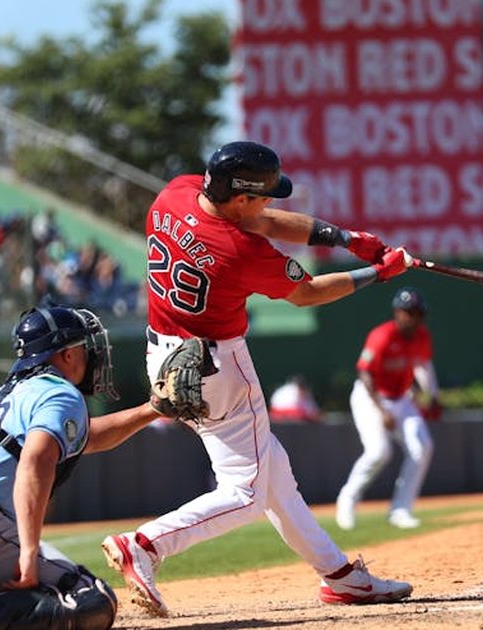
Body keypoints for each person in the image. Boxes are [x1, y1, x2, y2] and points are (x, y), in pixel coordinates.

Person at [102, 140, 413, 617]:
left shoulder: (175, 194)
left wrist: (346, 238)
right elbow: (307, 293)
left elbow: (262, 219)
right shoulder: (240, 250)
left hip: (162, 354)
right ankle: (144, 545)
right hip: (216, 367)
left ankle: (340, 576)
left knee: (273, 474)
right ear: (241, 197)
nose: (270, 202)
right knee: (245, 495)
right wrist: (377, 273)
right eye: (264, 194)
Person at [0, 305, 168, 630]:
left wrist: (153, 410)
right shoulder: (61, 392)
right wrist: (29, 553)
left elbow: (83, 439)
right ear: (64, 355)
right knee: (93, 599)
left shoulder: (13, 393)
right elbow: (35, 460)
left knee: (18, 581)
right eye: (82, 346)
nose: (91, 354)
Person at [335, 287, 440, 531]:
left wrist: (433, 396)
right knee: (379, 452)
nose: (412, 317)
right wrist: (382, 411)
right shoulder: (382, 335)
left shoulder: (422, 337)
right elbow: (365, 373)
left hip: (401, 398)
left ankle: (400, 510)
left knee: (422, 447)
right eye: (407, 312)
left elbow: (424, 366)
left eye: (416, 312)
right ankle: (347, 498)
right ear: (397, 312)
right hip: (369, 398)